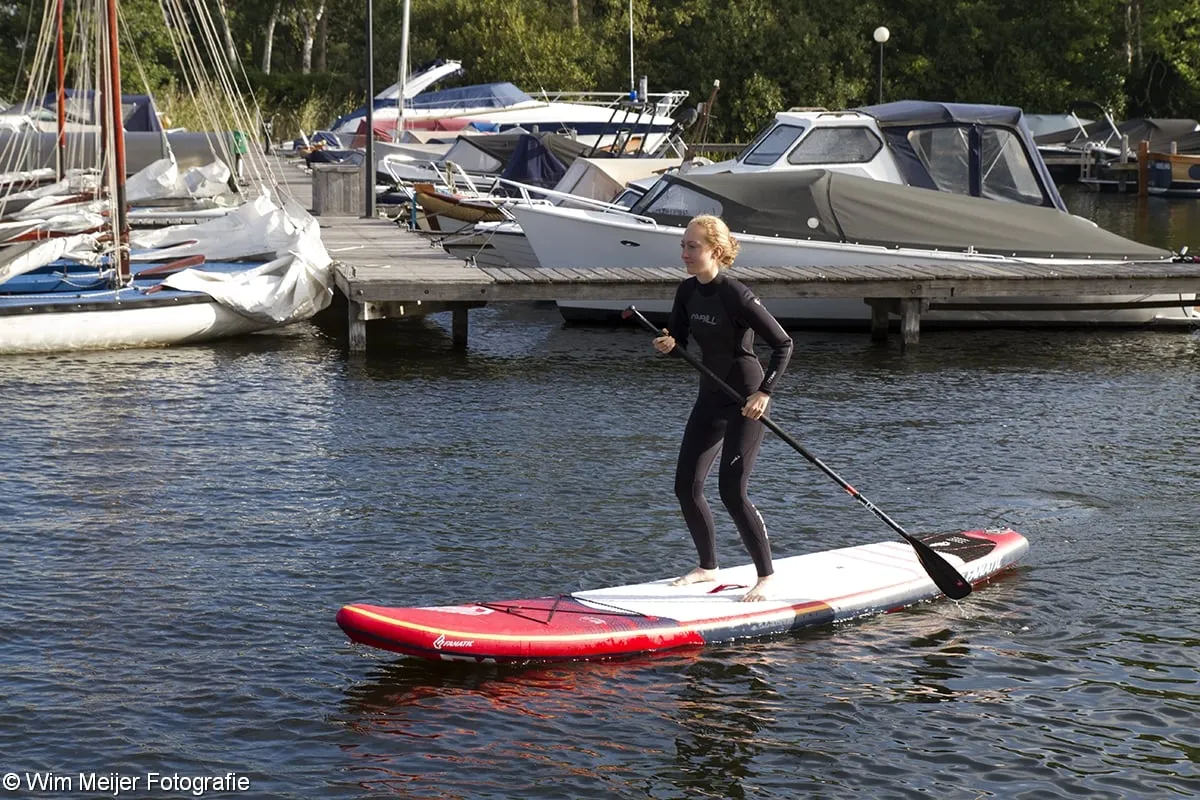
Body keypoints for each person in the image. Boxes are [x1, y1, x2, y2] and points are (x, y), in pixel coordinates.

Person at [652, 214, 793, 602]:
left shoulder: (737, 294)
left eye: (692, 246)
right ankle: (707, 567)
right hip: (710, 396)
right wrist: (667, 344)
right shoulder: (686, 291)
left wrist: (764, 393)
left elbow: (783, 344)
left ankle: (765, 576)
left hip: (745, 399)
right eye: (682, 245)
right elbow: (677, 338)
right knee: (686, 487)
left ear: (715, 250)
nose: (684, 253)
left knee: (732, 491)